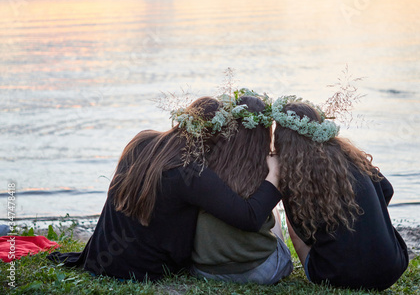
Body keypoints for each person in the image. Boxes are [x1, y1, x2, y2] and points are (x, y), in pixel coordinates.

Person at [48, 97, 283, 281]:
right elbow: (249, 217)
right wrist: (274, 175)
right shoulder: (193, 173)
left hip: (100, 258)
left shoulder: (141, 140)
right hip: (144, 268)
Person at [273, 99, 408, 291]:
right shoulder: (350, 155)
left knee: (295, 230)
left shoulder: (294, 176)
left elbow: (301, 234)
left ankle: (316, 269)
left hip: (336, 277)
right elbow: (387, 190)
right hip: (392, 268)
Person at [191, 95, 293, 284]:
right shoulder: (269, 168)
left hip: (205, 270)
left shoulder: (205, 164)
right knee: (274, 213)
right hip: (261, 271)